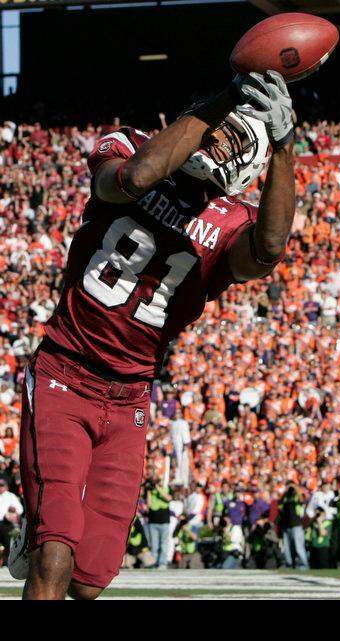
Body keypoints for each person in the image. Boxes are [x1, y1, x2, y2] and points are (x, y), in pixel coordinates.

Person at [8, 69, 299, 600]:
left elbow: (271, 248)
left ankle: (40, 522)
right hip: (65, 374)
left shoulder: (233, 220)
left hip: (130, 398)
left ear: (248, 166)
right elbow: (137, 177)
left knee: (89, 582)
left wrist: (284, 148)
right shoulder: (133, 145)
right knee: (55, 555)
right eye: (218, 126)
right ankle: (44, 525)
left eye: (236, 136)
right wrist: (225, 99)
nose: (219, 138)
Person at [277, 483, 307, 569]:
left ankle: (303, 564)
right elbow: (280, 506)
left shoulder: (297, 496)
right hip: (286, 525)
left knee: (299, 547)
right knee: (287, 548)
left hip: (296, 524)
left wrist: (296, 490)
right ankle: (289, 564)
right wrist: (285, 492)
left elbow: (302, 501)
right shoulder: (285, 497)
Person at [144, 479, 172, 569]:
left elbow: (168, 498)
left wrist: (157, 488)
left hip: (164, 521)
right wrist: (148, 491)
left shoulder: (166, 488)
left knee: (164, 544)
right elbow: (148, 504)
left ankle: (162, 563)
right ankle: (153, 562)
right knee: (154, 545)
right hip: (153, 522)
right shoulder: (151, 492)